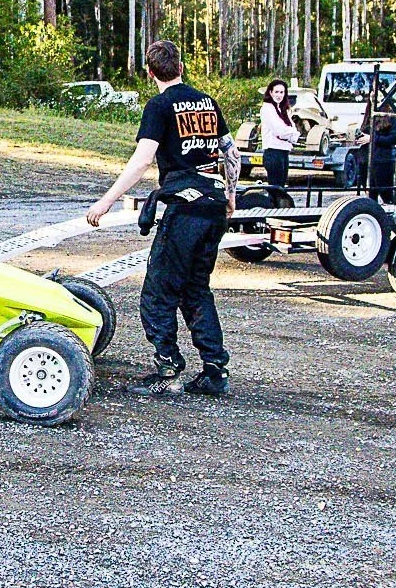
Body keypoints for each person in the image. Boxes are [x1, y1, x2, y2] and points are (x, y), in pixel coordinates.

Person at [85, 40, 238, 398]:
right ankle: (215, 370)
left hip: (185, 210)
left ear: (150, 72)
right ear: (181, 67)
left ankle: (167, 369)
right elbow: (232, 152)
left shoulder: (159, 105)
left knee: (158, 292)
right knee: (197, 289)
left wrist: (106, 202)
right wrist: (231, 196)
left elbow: (142, 161)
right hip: (213, 205)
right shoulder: (208, 103)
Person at [258, 79, 298, 188]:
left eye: (282, 92)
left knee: (282, 186)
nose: (279, 95)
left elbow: (294, 131)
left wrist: (290, 134)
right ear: (270, 92)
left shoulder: (283, 109)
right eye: (276, 92)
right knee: (275, 188)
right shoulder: (267, 108)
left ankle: (280, 205)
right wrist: (290, 133)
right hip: (273, 152)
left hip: (284, 151)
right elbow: (279, 131)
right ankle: (274, 205)